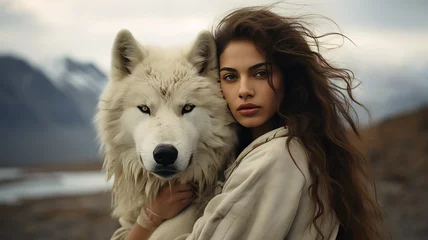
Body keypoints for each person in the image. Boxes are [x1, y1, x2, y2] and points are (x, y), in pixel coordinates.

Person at [122, 5, 385, 240]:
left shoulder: (277, 158)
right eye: (230, 77)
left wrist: (149, 221)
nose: (244, 90)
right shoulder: (252, 154)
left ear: (288, 79)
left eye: (260, 73)